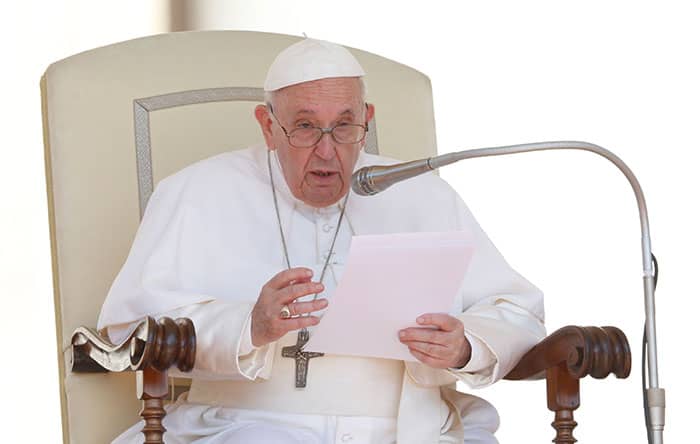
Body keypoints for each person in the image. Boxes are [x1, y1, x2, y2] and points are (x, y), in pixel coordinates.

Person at [98, 38, 546, 444]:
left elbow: (517, 313)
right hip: (245, 427)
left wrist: (466, 345)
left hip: (409, 429)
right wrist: (247, 327)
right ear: (268, 125)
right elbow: (129, 330)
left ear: (366, 121)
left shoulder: (423, 193)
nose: (328, 151)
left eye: (345, 126)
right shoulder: (196, 192)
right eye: (305, 127)